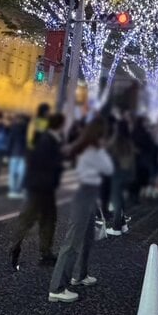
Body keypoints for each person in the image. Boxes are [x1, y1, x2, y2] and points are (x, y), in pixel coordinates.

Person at [49, 117, 114, 303]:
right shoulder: (93, 151)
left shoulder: (84, 148)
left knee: (86, 237)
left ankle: (79, 275)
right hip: (84, 194)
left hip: (87, 193)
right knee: (72, 241)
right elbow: (108, 168)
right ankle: (57, 287)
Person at [10, 112, 65, 270]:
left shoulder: (49, 138)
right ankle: (15, 248)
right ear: (60, 125)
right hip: (40, 188)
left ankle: (45, 252)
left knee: (48, 220)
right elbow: (40, 163)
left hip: (44, 187)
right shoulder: (47, 140)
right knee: (28, 219)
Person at [106, 119, 136, 236]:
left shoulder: (116, 141)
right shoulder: (129, 142)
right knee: (120, 200)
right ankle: (123, 226)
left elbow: (108, 155)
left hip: (116, 175)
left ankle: (116, 228)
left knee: (116, 202)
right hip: (127, 175)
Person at [7, 114, 28, 198]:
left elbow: (10, 141)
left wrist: (8, 152)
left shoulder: (14, 128)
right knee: (21, 173)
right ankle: (17, 189)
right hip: (23, 153)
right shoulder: (27, 129)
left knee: (13, 173)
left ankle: (13, 190)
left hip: (14, 152)